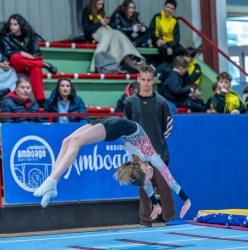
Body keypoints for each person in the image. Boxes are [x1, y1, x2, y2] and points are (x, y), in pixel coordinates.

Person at [33, 116, 192, 220]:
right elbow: (170, 179)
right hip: (117, 124)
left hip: (117, 126)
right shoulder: (151, 157)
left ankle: (53, 182)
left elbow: (146, 185)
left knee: (73, 142)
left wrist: (155, 204)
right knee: (70, 141)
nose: (151, 180)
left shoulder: (135, 160)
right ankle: (53, 182)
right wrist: (186, 200)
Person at [124, 65, 175, 227]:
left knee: (165, 188)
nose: (145, 83)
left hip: (159, 153)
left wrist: (157, 143)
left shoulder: (162, 102)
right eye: (143, 80)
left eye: (149, 80)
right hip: (139, 156)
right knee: (144, 189)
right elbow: (127, 126)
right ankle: (145, 220)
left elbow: (168, 127)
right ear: (138, 79)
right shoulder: (130, 102)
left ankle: (170, 219)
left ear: (153, 81)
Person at [2, 14, 56, 108]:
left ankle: (41, 100)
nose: (12, 27)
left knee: (36, 69)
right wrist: (21, 52)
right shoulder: (6, 37)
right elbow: (7, 52)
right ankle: (43, 64)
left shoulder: (30, 36)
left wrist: (29, 57)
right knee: (15, 57)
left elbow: (37, 53)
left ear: (21, 25)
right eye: (11, 24)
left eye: (15, 24)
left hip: (29, 64)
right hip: (17, 64)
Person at [82, 0, 146, 73]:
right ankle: (95, 66)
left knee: (117, 33)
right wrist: (99, 23)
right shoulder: (86, 11)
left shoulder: (101, 12)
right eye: (98, 4)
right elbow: (87, 30)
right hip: (94, 34)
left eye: (102, 4)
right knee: (111, 34)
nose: (100, 7)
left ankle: (129, 57)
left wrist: (107, 22)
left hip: (106, 32)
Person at [149, 0, 183, 64]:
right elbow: (150, 31)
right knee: (164, 49)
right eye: (167, 7)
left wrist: (171, 46)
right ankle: (163, 68)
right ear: (164, 7)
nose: (169, 10)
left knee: (181, 49)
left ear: (174, 10)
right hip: (159, 41)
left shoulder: (174, 20)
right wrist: (157, 39)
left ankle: (175, 68)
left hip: (170, 42)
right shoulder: (157, 17)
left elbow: (177, 37)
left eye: (171, 8)